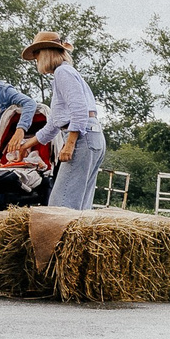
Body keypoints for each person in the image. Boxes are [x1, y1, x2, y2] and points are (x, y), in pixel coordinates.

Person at [21, 32, 103, 210]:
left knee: (61, 203)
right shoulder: (67, 73)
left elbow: (79, 110)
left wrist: (70, 144)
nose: (36, 63)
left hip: (82, 136)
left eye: (36, 57)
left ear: (45, 54)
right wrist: (26, 145)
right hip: (92, 134)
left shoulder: (62, 73)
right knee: (79, 202)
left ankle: (59, 238)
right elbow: (54, 124)